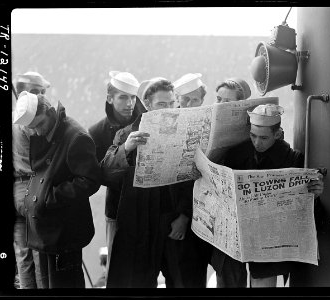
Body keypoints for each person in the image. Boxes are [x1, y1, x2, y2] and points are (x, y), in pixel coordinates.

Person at [210, 104, 324, 288]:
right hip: (235, 235)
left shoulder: (292, 159)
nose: (257, 142)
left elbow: (303, 207)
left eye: (264, 138)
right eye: (253, 136)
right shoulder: (236, 154)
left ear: (277, 134)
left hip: (269, 240)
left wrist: (314, 194)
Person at [102, 78, 196, 288]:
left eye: (172, 103)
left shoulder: (185, 132)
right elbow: (105, 174)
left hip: (171, 219)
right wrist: (126, 149)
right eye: (162, 104)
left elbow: (192, 179)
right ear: (147, 104)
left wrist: (183, 216)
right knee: (138, 281)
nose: (169, 109)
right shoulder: (126, 134)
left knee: (181, 280)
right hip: (139, 222)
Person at [12, 91, 101, 288]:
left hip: (65, 232)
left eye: (39, 124)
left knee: (65, 286)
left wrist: (49, 198)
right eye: (31, 128)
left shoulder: (76, 136)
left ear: (51, 112)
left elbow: (91, 180)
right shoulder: (46, 131)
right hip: (47, 229)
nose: (36, 132)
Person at [88, 71, 145, 276]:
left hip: (152, 208)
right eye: (123, 97)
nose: (129, 103)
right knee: (118, 272)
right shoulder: (96, 132)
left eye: (132, 97)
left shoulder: (150, 121)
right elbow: (97, 176)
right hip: (117, 210)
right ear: (109, 98)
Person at [172, 73, 213, 287]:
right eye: (184, 99)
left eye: (194, 99)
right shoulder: (167, 122)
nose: (188, 104)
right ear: (177, 99)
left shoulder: (210, 125)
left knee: (193, 275)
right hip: (169, 214)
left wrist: (185, 215)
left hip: (197, 214)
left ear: (202, 101)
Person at [12, 71, 51, 289]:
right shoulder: (31, 122)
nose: (44, 97)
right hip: (33, 188)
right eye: (41, 92)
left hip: (16, 189)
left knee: (23, 256)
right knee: (39, 256)